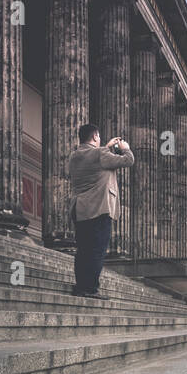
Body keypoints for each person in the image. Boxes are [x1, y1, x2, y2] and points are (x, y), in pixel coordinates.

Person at [68, 124, 133, 298]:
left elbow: (95, 158)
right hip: (99, 208)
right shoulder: (101, 154)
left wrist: (108, 146)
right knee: (96, 250)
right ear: (96, 136)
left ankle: (81, 286)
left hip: (80, 209)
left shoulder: (74, 156)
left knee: (83, 250)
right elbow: (128, 161)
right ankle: (90, 288)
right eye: (99, 137)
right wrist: (125, 148)